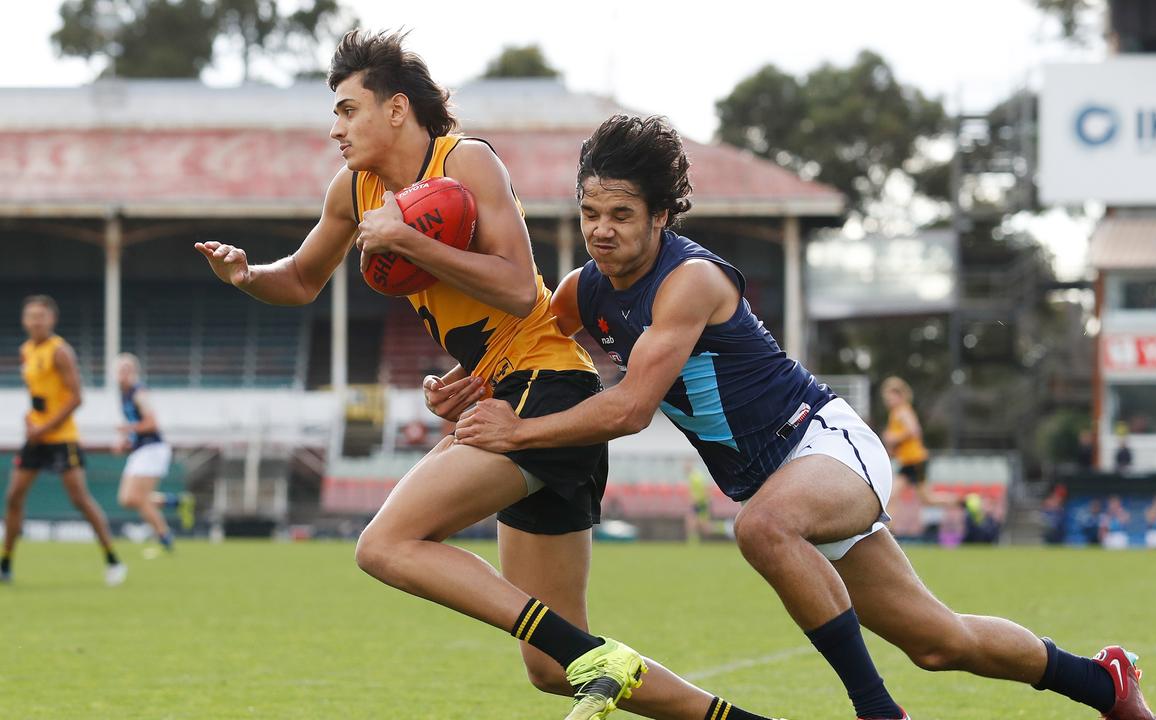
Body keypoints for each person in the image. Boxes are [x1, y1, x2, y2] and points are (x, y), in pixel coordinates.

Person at [456, 114, 1156, 720]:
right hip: (780, 488)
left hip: (825, 447)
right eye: (589, 214)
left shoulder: (688, 280)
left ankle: (879, 712)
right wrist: (464, 381)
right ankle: (1104, 682)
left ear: (662, 215)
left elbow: (634, 407)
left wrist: (519, 432)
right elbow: (529, 341)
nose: (600, 232)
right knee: (941, 642)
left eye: (621, 215)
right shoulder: (584, 291)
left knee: (761, 526)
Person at [194, 31, 774, 720]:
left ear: (397, 109)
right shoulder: (354, 191)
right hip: (503, 392)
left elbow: (520, 292)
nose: (335, 128)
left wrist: (407, 241)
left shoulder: (466, 160)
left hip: (546, 388)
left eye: (348, 110)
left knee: (385, 545)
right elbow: (297, 279)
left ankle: (598, 658)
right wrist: (245, 274)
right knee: (550, 668)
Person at [3, 295, 127, 586]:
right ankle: (5, 563)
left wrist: (44, 426)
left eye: (41, 316)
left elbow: (76, 397)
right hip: (36, 437)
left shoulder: (60, 352)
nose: (36, 321)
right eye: (31, 316)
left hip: (61, 438)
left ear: (51, 320)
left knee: (79, 500)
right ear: (24, 320)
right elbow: (40, 395)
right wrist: (29, 418)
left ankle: (113, 559)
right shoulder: (26, 351)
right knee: (13, 497)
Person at [113, 353, 193, 551]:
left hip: (152, 449)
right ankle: (176, 502)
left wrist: (128, 430)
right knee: (127, 499)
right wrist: (127, 441)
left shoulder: (139, 393)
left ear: (135, 372)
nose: (124, 374)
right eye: (121, 370)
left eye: (128, 369)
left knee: (138, 498)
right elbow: (136, 425)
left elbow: (152, 423)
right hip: (141, 449)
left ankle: (164, 536)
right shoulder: (123, 395)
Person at [880, 377, 937, 533]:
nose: (889, 401)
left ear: (900, 395)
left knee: (927, 499)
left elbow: (914, 430)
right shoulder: (895, 413)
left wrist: (892, 437)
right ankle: (888, 533)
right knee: (896, 496)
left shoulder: (902, 411)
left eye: (891, 397)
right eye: (887, 398)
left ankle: (886, 533)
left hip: (915, 460)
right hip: (907, 462)